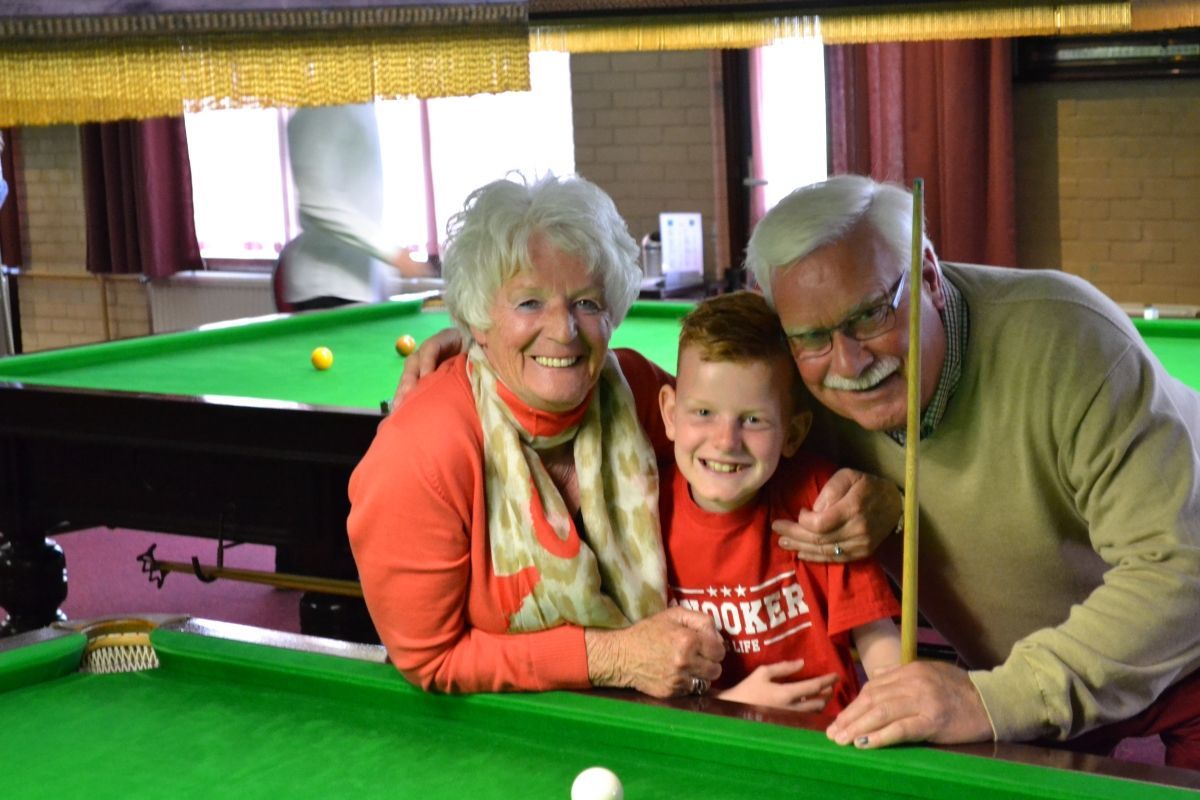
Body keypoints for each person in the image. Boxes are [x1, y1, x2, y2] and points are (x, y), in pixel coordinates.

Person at [745, 174, 1200, 766]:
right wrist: (894, 507)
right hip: (1021, 676)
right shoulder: (792, 385)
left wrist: (990, 701)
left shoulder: (1073, 343)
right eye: (812, 337)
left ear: (930, 277)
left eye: (872, 314)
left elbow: (1177, 575)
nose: (850, 361)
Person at [346, 174, 729, 696]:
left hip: (655, 723)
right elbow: (429, 658)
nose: (564, 330)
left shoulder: (634, 388)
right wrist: (614, 657)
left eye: (586, 303)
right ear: (479, 320)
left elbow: (753, 432)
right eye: (528, 303)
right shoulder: (420, 451)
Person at [658, 291, 901, 713]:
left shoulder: (821, 502)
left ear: (792, 433)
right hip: (697, 745)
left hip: (829, 745)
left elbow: (882, 651)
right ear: (669, 414)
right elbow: (632, 686)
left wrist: (896, 702)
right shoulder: (642, 511)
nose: (725, 441)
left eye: (752, 420)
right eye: (703, 413)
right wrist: (731, 704)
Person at [279, 104, 429, 312]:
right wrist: (393, 254)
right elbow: (316, 198)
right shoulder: (322, 107)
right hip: (328, 289)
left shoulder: (360, 105)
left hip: (361, 287)